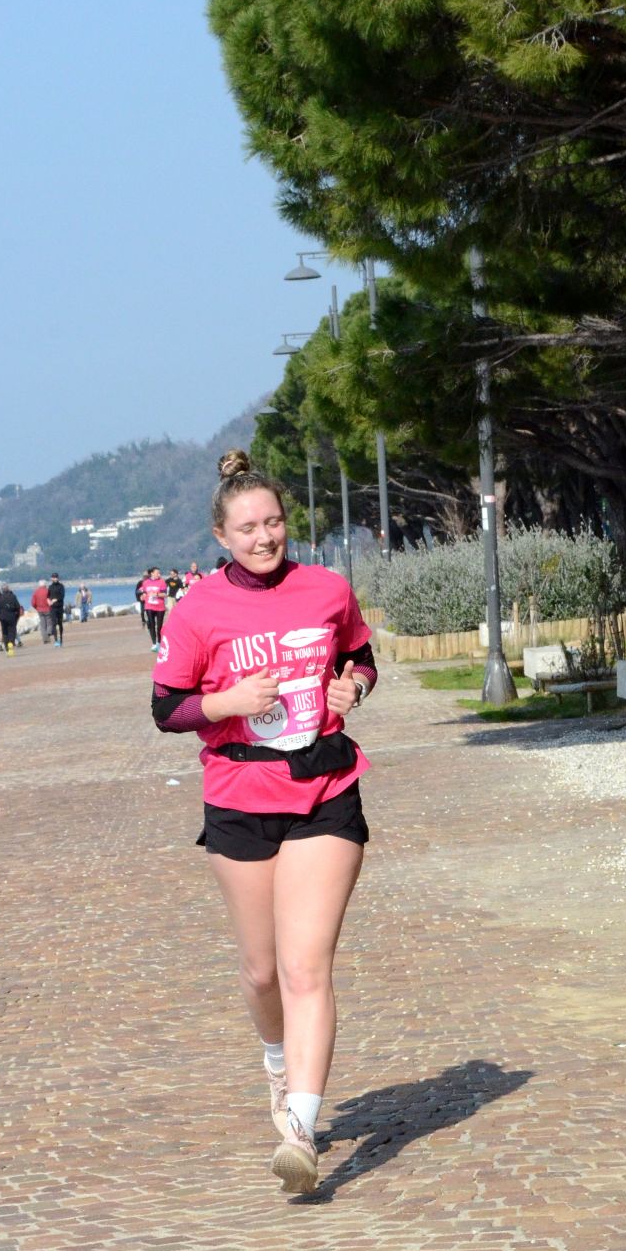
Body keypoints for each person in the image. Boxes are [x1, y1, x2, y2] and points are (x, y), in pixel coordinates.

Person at [151, 449, 376, 1197]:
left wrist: (353, 688)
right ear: (221, 535)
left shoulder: (327, 588)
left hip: (324, 786)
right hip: (239, 794)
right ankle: (277, 1061)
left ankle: (302, 1130)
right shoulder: (196, 609)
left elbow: (362, 656)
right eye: (247, 528)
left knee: (306, 967)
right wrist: (228, 702)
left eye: (273, 522)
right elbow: (166, 708)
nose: (264, 537)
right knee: (262, 971)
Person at [140, 565, 168, 647]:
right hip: (149, 606)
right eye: (157, 573)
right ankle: (154, 643)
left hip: (160, 607)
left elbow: (165, 594)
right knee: (151, 624)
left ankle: (159, 642)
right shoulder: (145, 582)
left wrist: (157, 594)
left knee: (159, 626)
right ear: (152, 573)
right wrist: (143, 596)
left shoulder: (162, 582)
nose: (159, 574)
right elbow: (144, 593)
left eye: (159, 573)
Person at [0, 583, 22, 653]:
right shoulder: (13, 596)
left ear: (2, 590)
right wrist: (17, 615)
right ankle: (11, 642)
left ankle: (7, 646)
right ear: (8, 589)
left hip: (3, 617)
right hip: (11, 616)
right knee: (12, 631)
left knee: (5, 632)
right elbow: (17, 606)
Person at [47, 571, 66, 647]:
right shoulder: (50, 587)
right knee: (53, 624)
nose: (55, 579)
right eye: (54, 577)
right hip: (53, 608)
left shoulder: (61, 586)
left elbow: (62, 596)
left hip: (59, 607)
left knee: (60, 623)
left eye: (56, 577)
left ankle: (61, 638)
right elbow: (47, 596)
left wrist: (56, 599)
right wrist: (48, 601)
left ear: (58, 578)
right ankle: (56, 640)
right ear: (51, 578)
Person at [32, 578, 53, 645]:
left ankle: (45, 639)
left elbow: (33, 603)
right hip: (48, 609)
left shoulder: (36, 592)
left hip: (40, 610)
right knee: (49, 622)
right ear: (45, 585)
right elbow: (51, 600)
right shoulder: (48, 591)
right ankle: (49, 632)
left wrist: (36, 608)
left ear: (39, 585)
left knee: (43, 625)